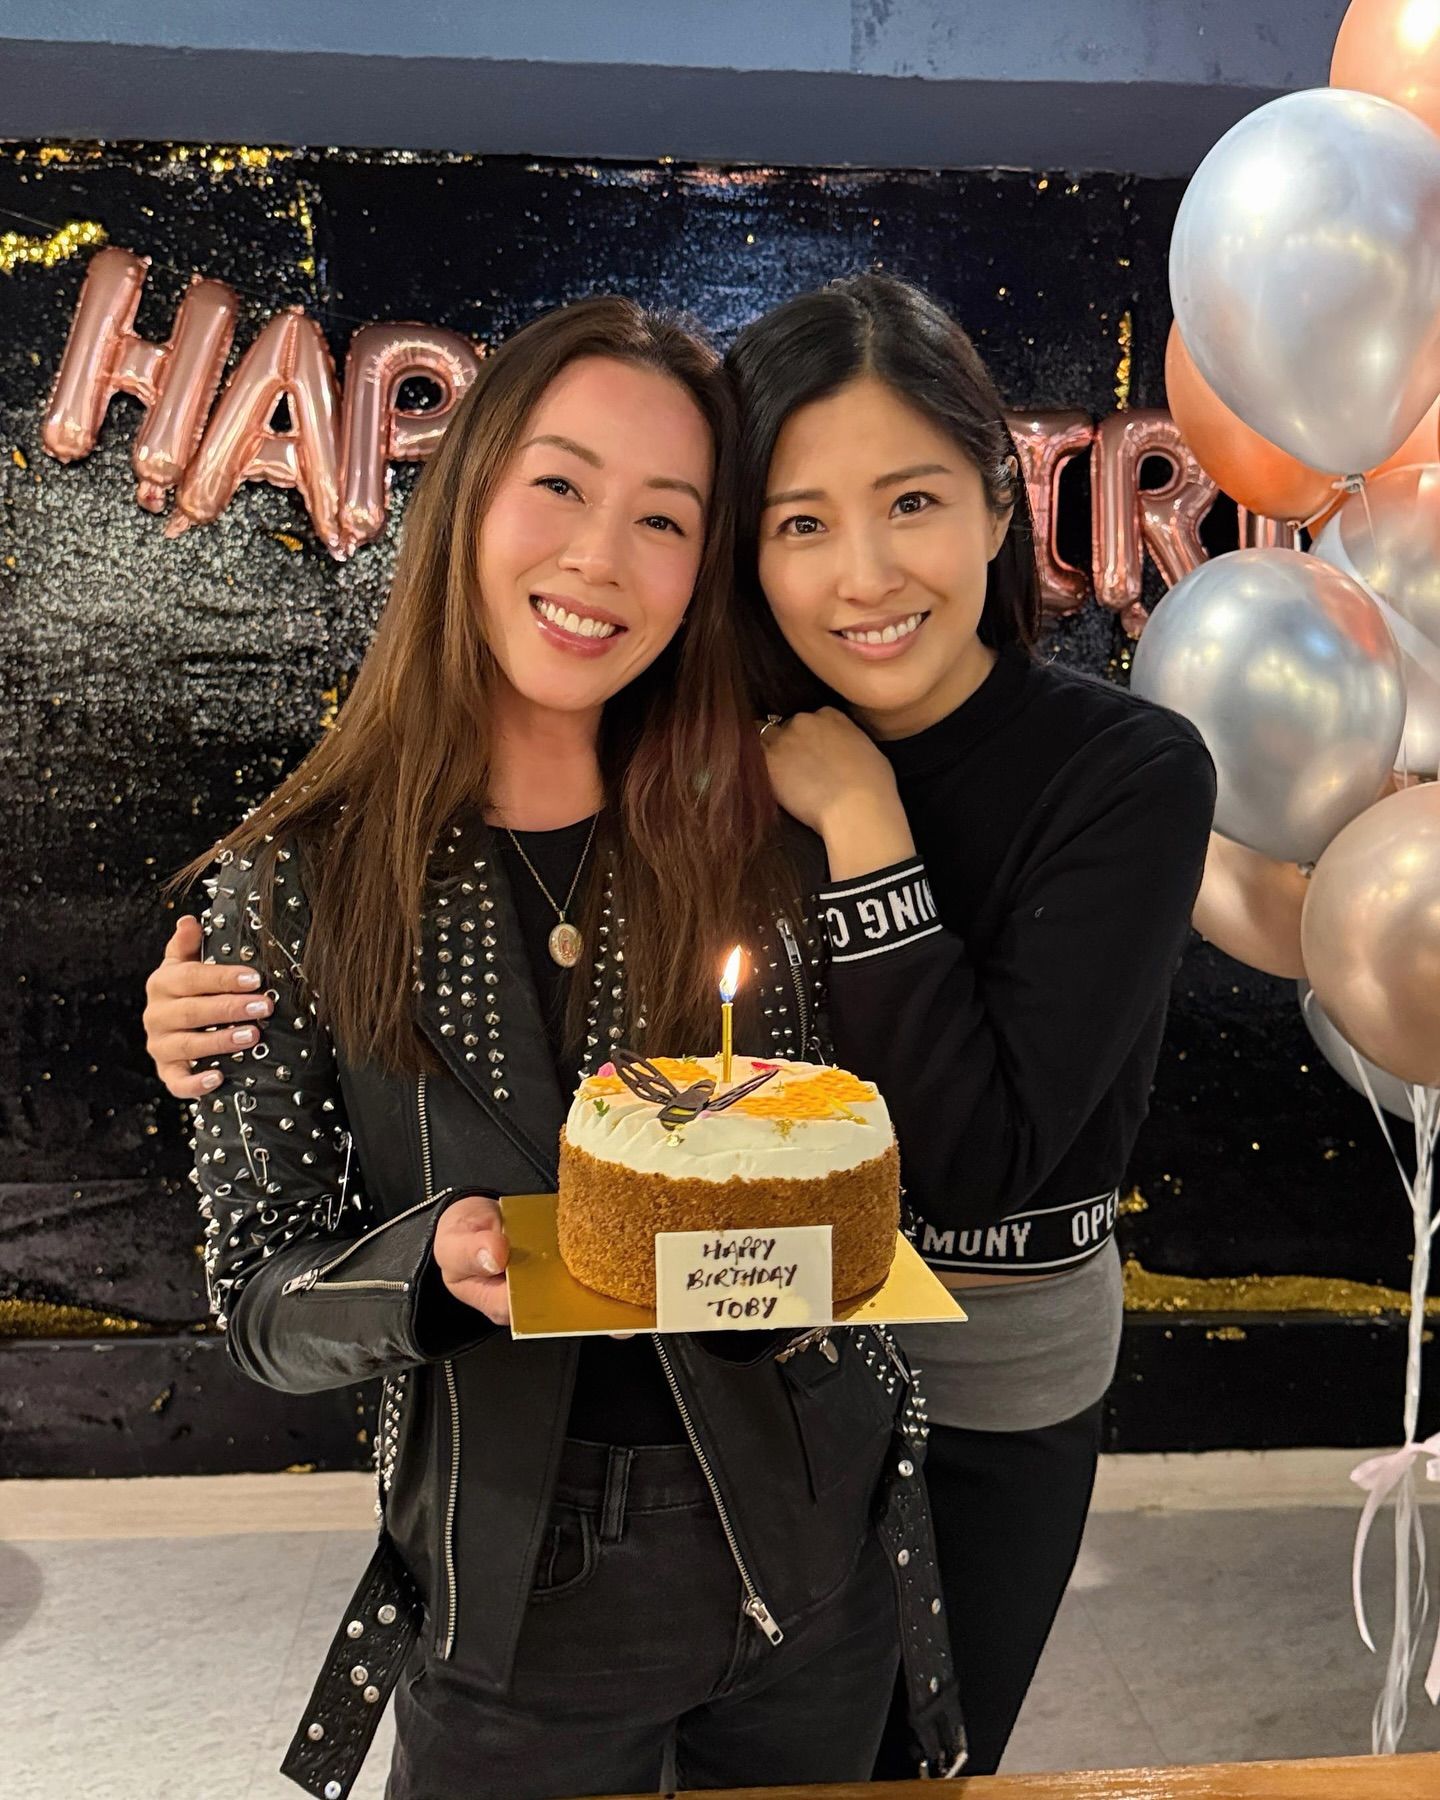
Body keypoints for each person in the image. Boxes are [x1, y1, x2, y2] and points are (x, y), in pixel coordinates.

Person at [156, 294, 959, 1800]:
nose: (600, 558)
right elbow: (260, 1304)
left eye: (663, 520)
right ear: (469, 494)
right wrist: (427, 1267)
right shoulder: (296, 882)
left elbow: (857, 1151)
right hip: (512, 1582)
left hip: (813, 1544)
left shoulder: (759, 835)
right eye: (562, 486)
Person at [726, 273, 1217, 1775]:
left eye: (913, 503)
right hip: (735, 1368)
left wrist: (866, 829)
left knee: (911, 1766)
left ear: (1001, 504)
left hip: (990, 1382)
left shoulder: (1129, 773)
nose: (865, 573)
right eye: (801, 523)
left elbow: (983, 1157)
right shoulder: (710, 753)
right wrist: (228, 998)